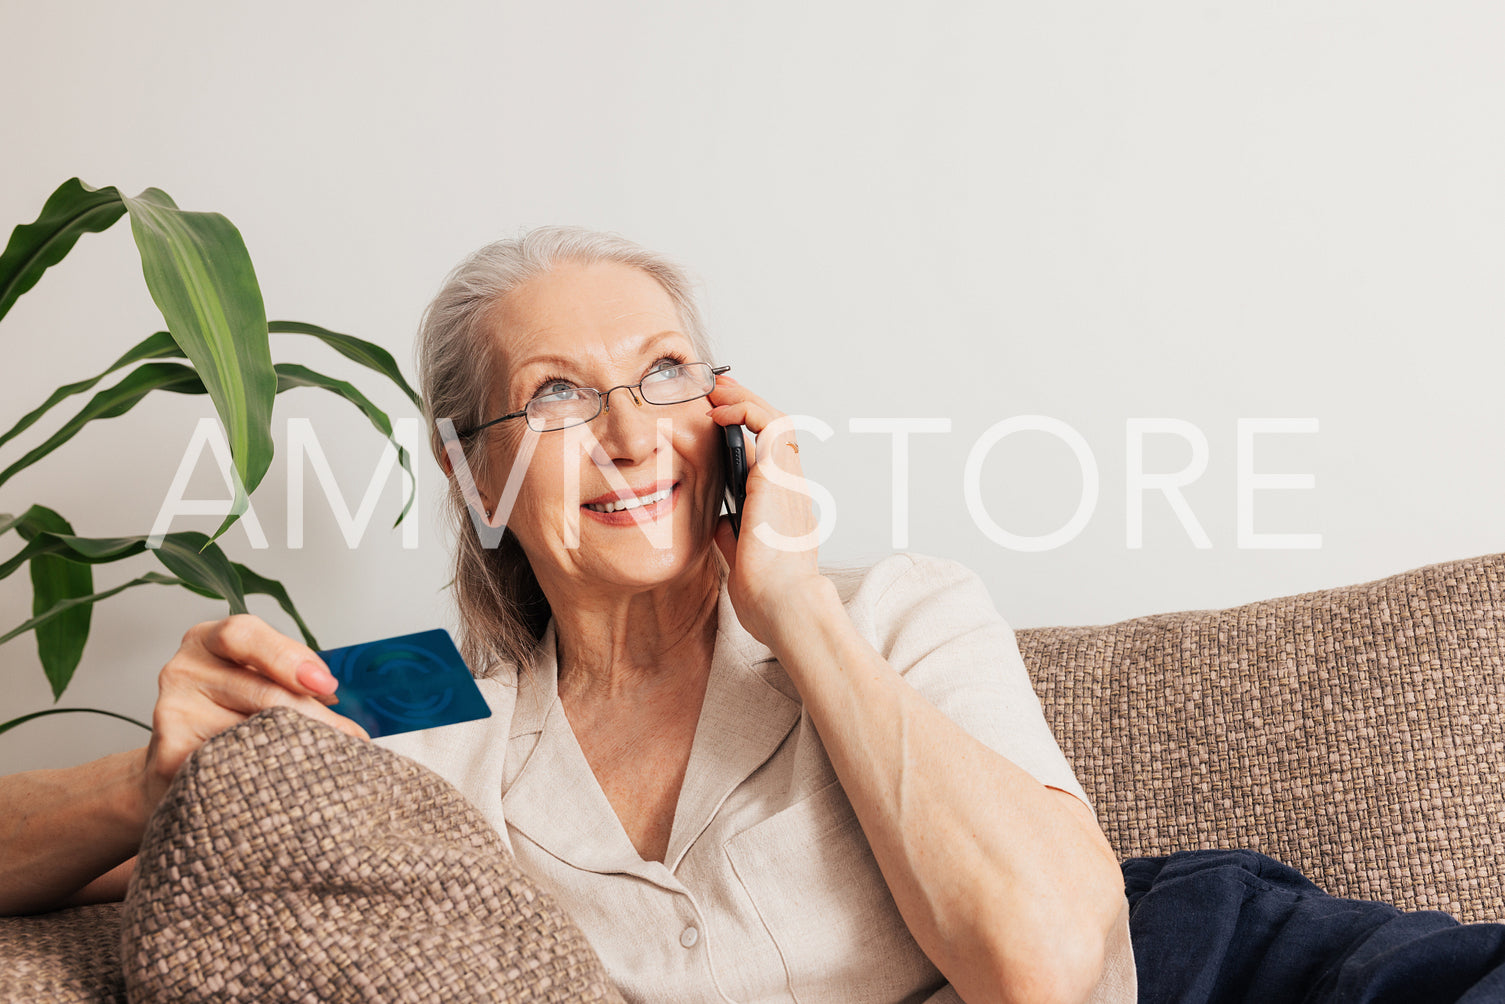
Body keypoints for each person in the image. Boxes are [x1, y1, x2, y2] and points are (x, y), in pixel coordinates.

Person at [8, 227, 1500, 1003]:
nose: (630, 432)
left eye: (664, 374)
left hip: (1217, 970)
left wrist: (791, 605)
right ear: (477, 471)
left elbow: (1054, 972)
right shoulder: (423, 696)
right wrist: (152, 784)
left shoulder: (892, 611)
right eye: (556, 398)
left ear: (722, 411)